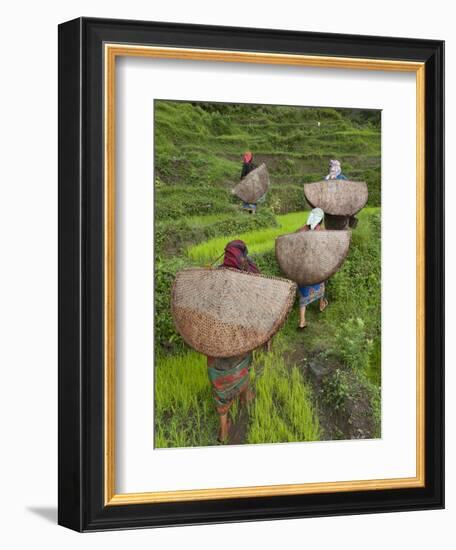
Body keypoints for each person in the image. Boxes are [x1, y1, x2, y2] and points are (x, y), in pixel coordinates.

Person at [207, 240, 259, 443]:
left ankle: (223, 429)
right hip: (239, 338)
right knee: (242, 366)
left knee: (219, 380)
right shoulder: (248, 276)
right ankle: (245, 396)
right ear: (242, 256)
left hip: (215, 340)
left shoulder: (213, 278)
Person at [296, 208, 329, 329]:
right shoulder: (322, 231)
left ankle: (302, 321)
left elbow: (291, 243)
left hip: (302, 267)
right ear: (321, 220)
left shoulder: (301, 230)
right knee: (321, 283)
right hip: (316, 266)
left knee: (304, 292)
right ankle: (321, 305)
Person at [324, 159, 358, 228]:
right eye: (331, 167)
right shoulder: (327, 178)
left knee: (351, 209)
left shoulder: (342, 177)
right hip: (330, 199)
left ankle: (351, 222)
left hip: (342, 199)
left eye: (333, 166)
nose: (332, 168)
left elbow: (348, 188)